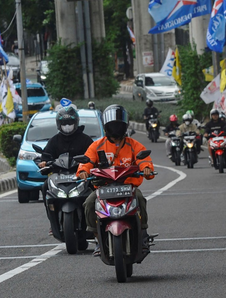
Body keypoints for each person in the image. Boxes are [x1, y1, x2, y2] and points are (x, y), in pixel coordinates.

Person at [77, 104, 154, 257]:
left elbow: (144, 159)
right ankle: (98, 238)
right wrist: (83, 171)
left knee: (140, 199)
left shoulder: (133, 145)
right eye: (113, 125)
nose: (116, 128)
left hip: (128, 187)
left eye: (119, 125)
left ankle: (143, 233)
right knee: (89, 203)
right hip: (104, 188)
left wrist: (146, 168)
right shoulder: (97, 146)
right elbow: (86, 162)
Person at [38, 100, 94, 232]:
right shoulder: (54, 140)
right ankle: (52, 222)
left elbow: (93, 156)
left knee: (95, 188)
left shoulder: (85, 139)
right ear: (59, 124)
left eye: (70, 123)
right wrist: (44, 162)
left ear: (76, 123)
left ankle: (96, 221)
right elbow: (46, 156)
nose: (67, 126)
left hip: (81, 175)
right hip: (59, 176)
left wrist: (88, 165)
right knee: (45, 186)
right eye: (64, 124)